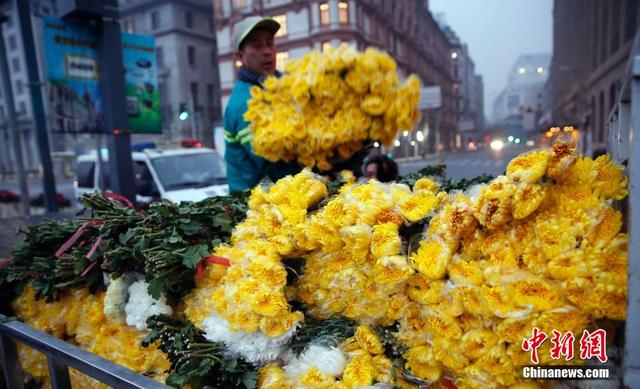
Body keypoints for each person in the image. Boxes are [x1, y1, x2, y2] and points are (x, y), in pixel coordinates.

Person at [223, 16, 300, 192]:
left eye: (270, 43)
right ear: (240, 56)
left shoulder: (279, 86)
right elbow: (271, 161)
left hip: (281, 197)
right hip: (252, 204)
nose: (267, 51)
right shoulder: (244, 102)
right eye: (257, 45)